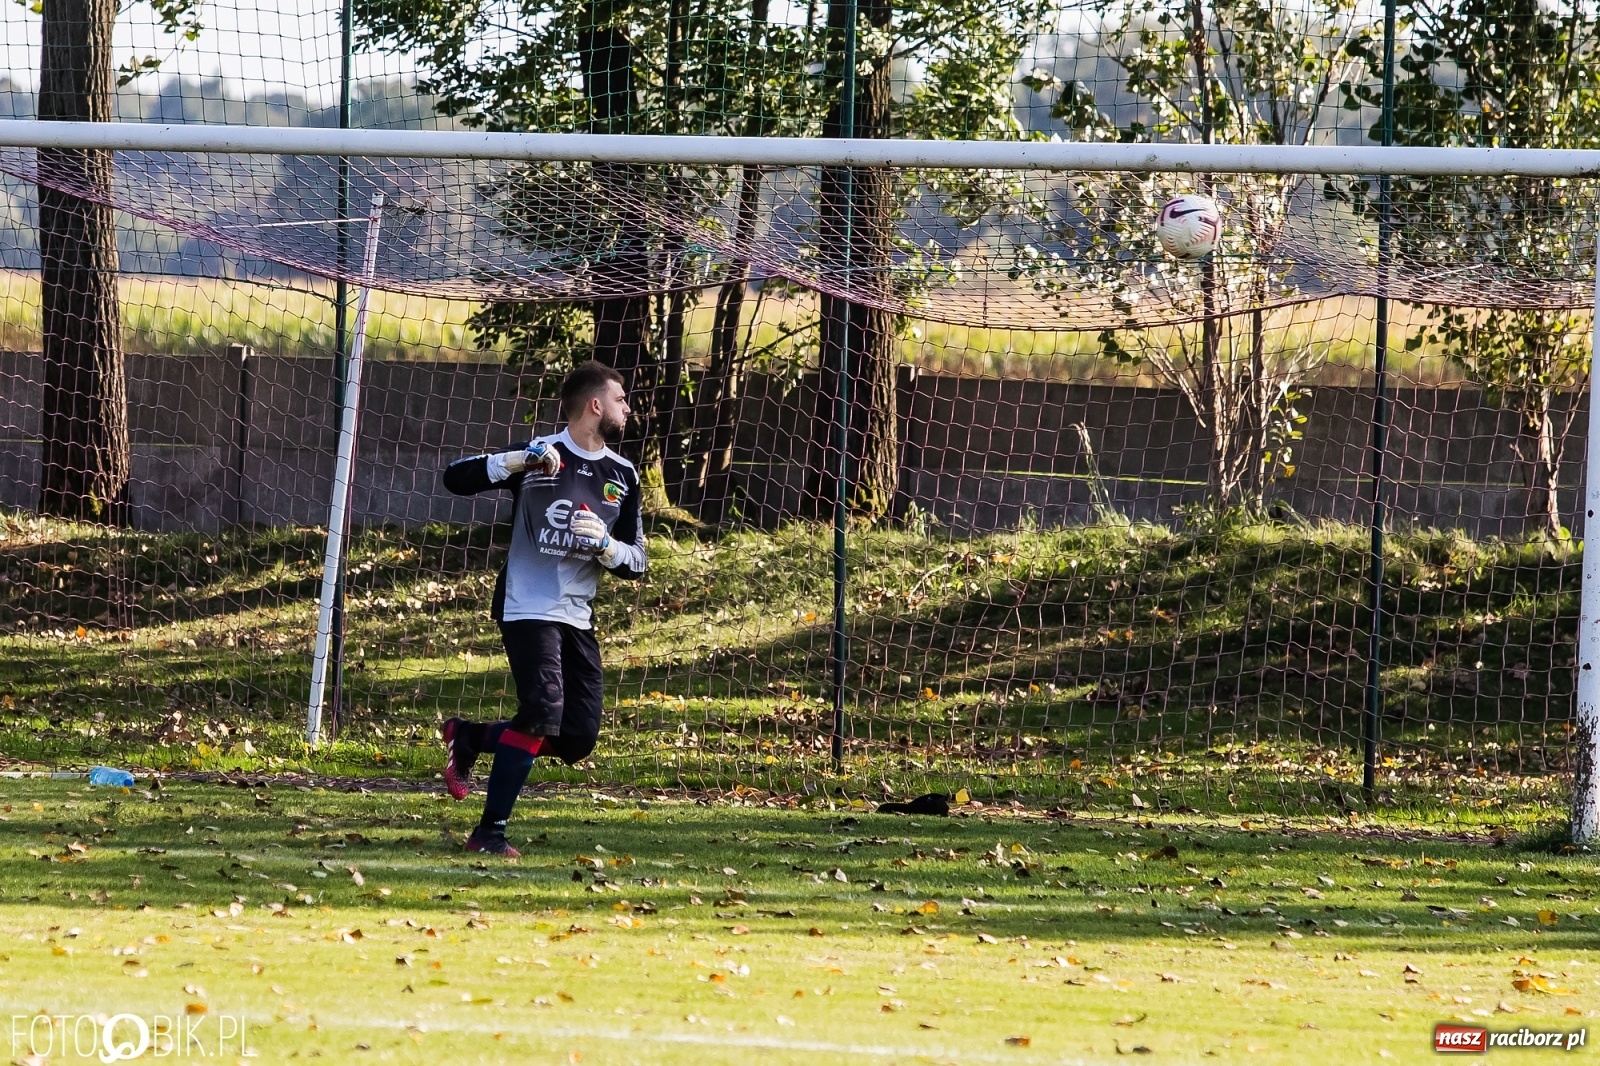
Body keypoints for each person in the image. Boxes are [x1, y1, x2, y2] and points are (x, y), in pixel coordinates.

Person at [438, 360, 647, 856]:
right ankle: (490, 833)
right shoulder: (540, 456)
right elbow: (453, 479)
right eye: (621, 400)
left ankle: (468, 737)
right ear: (596, 405)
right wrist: (515, 461)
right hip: (527, 608)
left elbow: (637, 561)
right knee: (541, 710)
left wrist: (606, 548)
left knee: (576, 737)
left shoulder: (624, 474)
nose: (628, 408)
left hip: (577, 617)